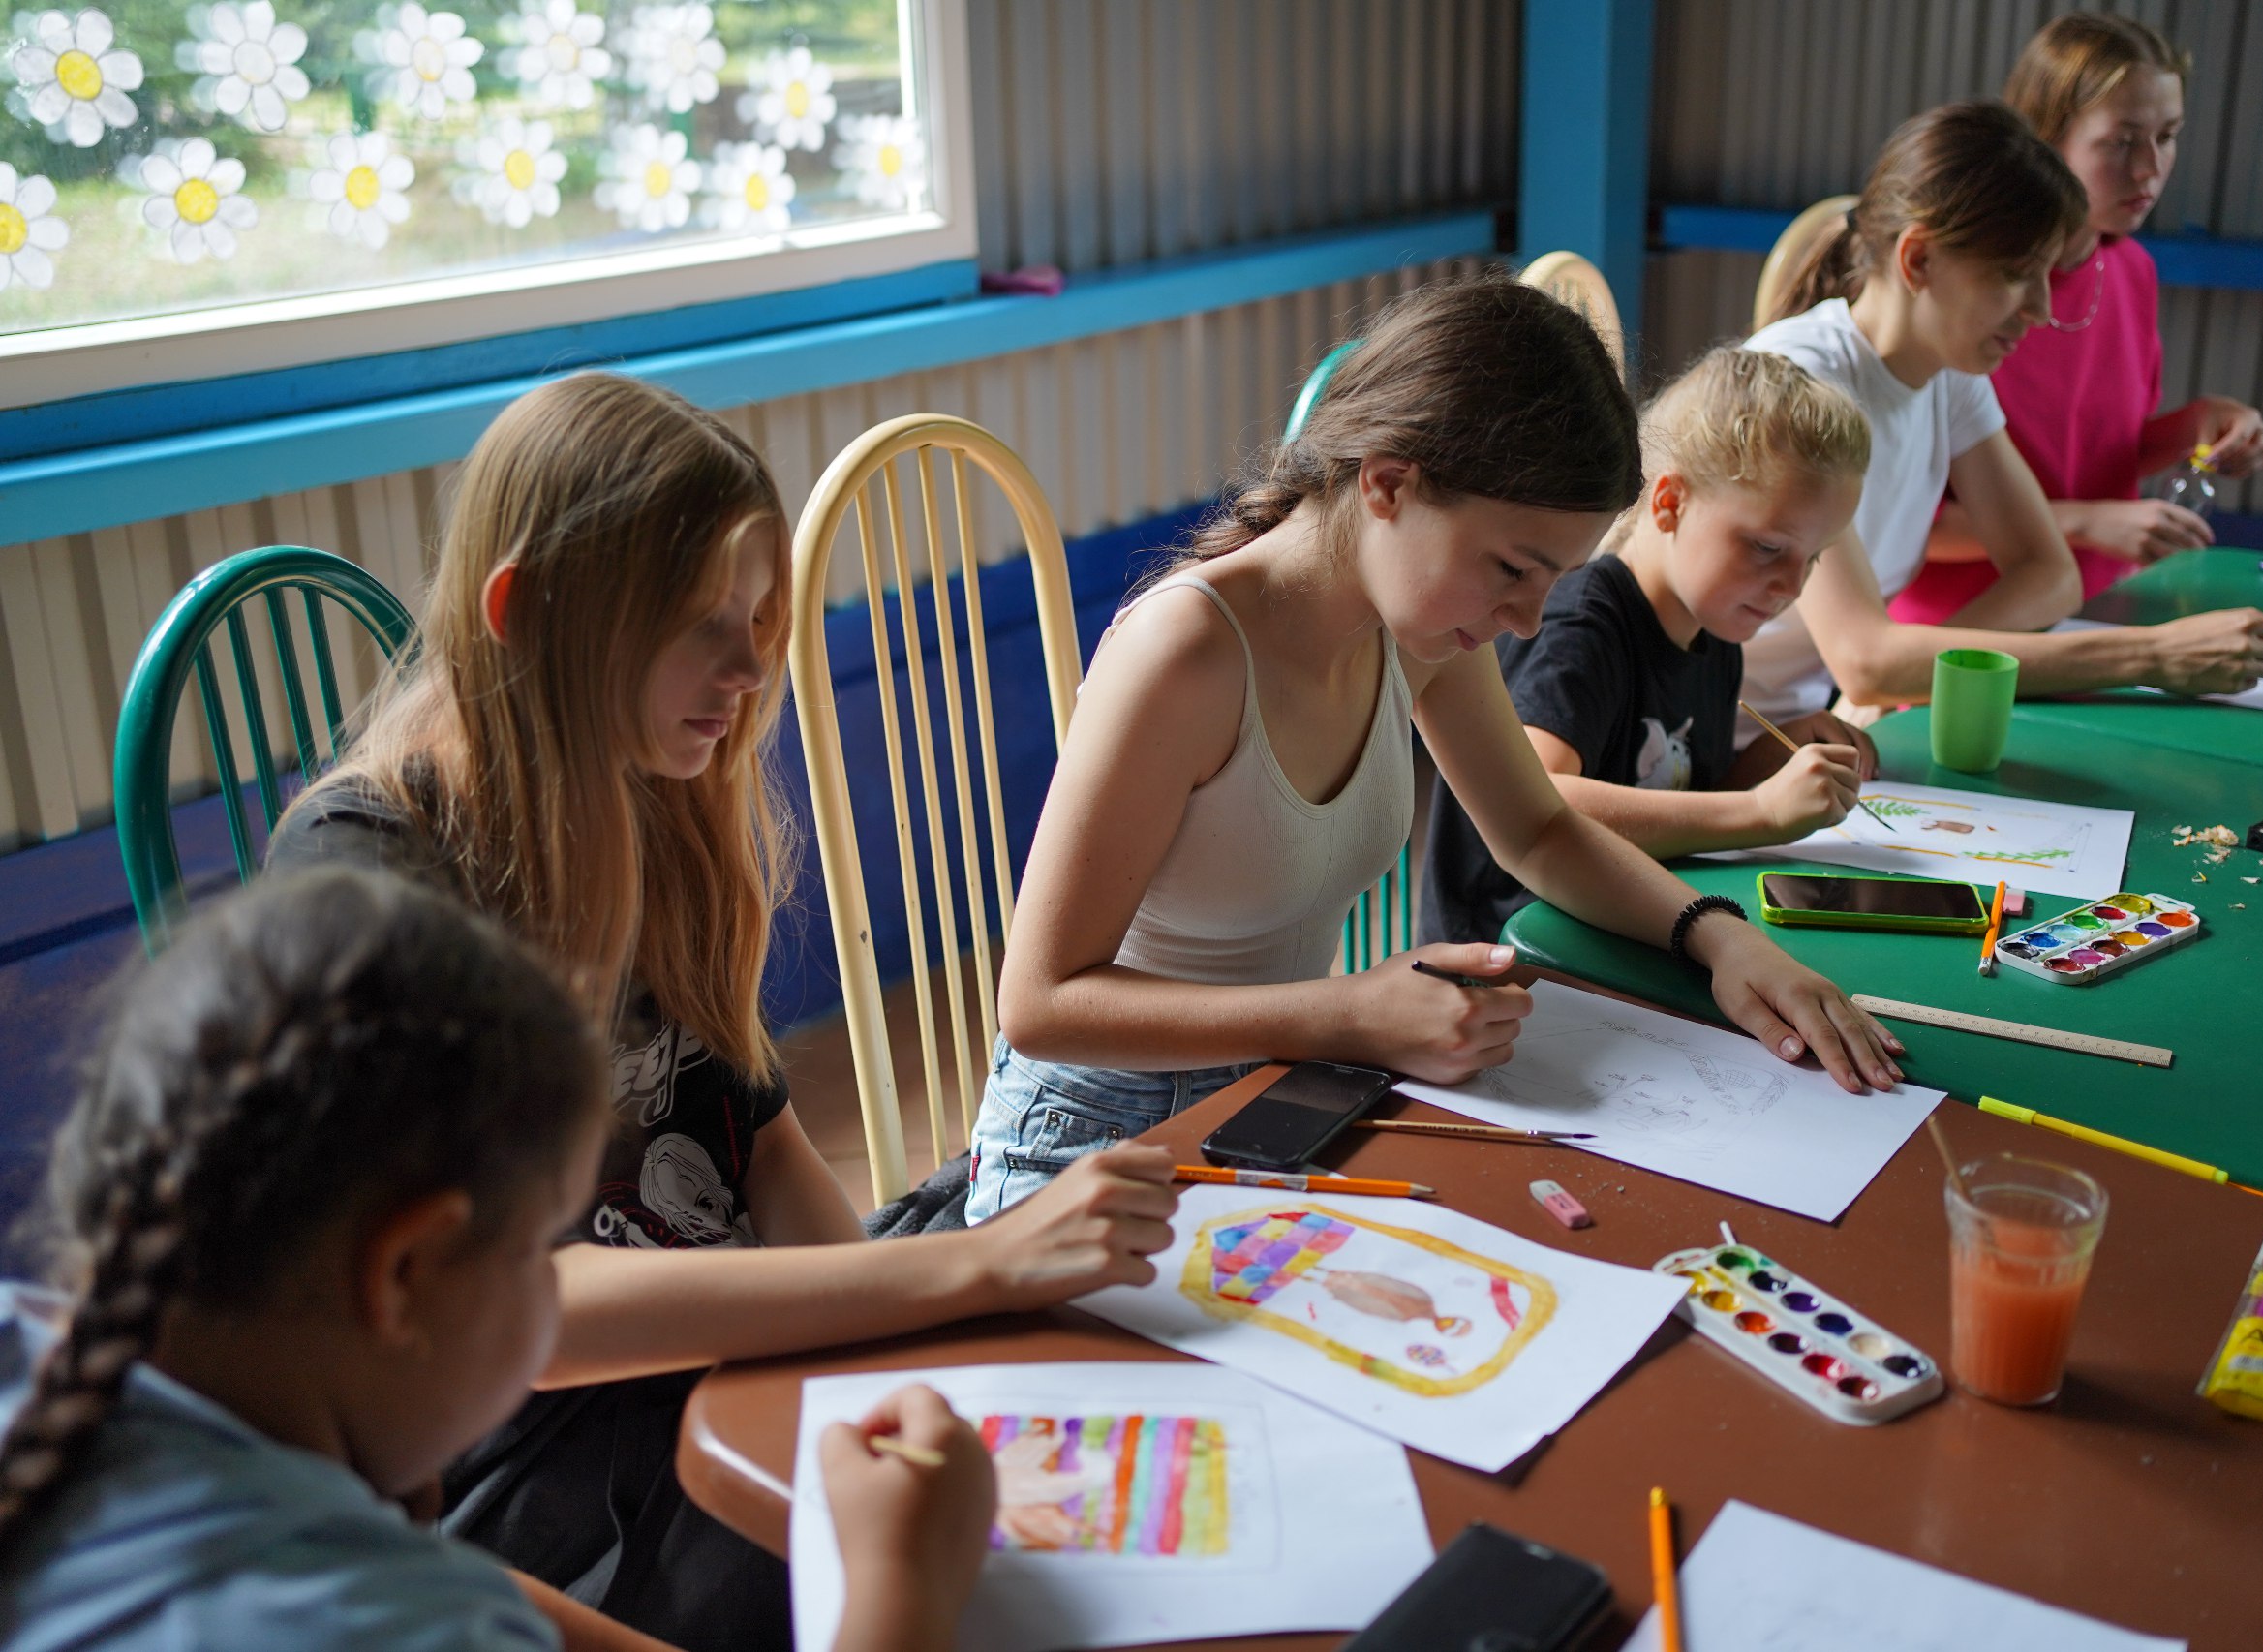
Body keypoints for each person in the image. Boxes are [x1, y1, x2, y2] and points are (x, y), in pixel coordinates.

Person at [266, 372, 1175, 1652]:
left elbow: (764, 1149)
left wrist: (881, 1357)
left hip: (728, 1347)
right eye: (703, 624)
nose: (751, 669)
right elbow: (514, 1312)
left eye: (758, 618)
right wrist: (954, 1269)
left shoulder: (641, 790)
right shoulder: (368, 872)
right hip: (549, 1459)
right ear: (525, 613)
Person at [965, 275, 1908, 1226]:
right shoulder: (1187, 654)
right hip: (1098, 1138)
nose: (1526, 620)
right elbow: (1041, 1004)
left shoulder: (1417, 630)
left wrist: (1719, 936)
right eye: (1512, 569)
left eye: (1552, 581)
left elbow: (1538, 829)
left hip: (1275, 1090)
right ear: (1387, 483)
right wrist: (1345, 1013)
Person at [0, 867, 997, 1652]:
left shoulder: (33, 1353)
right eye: (545, 1246)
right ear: (403, 1274)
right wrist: (899, 1577)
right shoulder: (377, 1621)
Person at [1743, 99, 2263, 727]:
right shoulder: (1801, 382)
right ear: (1918, 260)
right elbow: (1865, 660)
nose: (2041, 309)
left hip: (1799, 726)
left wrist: (1917, 669)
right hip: (1705, 745)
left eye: (2047, 275)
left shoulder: (1950, 377)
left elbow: (2049, 572)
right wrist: (2149, 656)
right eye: (2014, 275)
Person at [1421, 346, 1875, 945]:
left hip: (1626, 927)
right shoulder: (1581, 624)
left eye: (1813, 558)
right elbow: (1542, 798)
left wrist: (1763, 764)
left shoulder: (1714, 632)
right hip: (1517, 954)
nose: (1792, 586)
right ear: (1669, 503)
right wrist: (1760, 811)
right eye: (1768, 547)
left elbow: (1672, 805)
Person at [1895, 13, 2263, 624]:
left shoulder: (2131, 270)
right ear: (2043, 142)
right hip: (1966, 625)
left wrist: (2199, 426)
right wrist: (2085, 524)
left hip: (2099, 604)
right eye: (2121, 142)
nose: (2149, 168)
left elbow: (2098, 454)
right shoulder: (1962, 293)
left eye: (2167, 136)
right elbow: (1907, 518)